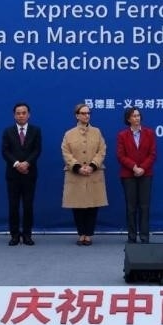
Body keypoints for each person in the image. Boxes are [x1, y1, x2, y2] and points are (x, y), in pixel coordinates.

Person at [61, 102, 108, 246]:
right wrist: (77, 167)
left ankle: (88, 234)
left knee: (92, 205)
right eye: (83, 113)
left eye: (88, 113)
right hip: (76, 174)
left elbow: (102, 150)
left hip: (94, 173)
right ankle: (81, 233)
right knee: (78, 206)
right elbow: (66, 152)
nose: (86, 116)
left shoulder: (97, 132)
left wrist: (93, 165)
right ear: (77, 116)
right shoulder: (69, 134)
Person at [1, 102, 42, 246]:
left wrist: (27, 163)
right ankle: (14, 235)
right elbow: (5, 151)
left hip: (30, 174)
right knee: (13, 206)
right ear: (14, 115)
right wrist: (17, 164)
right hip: (13, 174)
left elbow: (37, 150)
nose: (21, 115)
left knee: (28, 206)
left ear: (28, 115)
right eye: (18, 113)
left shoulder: (36, 131)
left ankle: (27, 235)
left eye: (24, 113)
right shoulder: (8, 131)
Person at [116, 106, 157, 244]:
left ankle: (144, 237)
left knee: (144, 207)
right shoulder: (122, 135)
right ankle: (132, 237)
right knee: (131, 207)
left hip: (146, 174)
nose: (137, 118)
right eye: (134, 116)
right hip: (128, 175)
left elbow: (152, 154)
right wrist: (134, 167)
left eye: (138, 115)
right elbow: (121, 156)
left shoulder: (149, 133)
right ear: (128, 119)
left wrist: (142, 168)